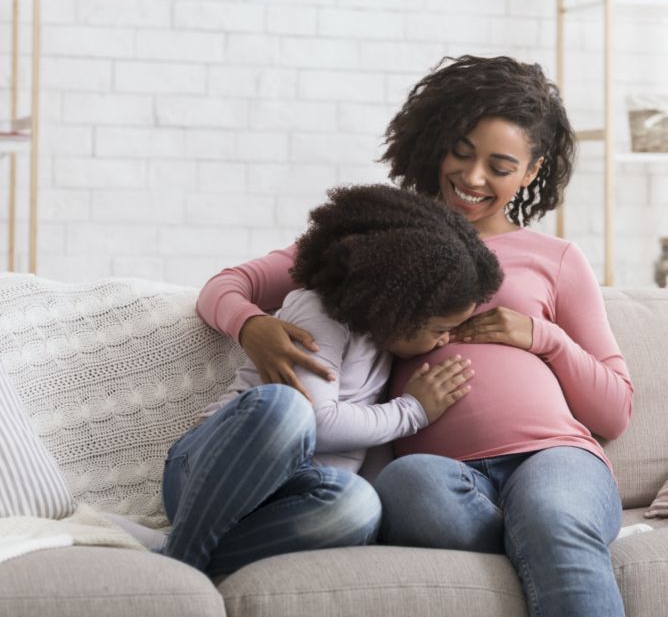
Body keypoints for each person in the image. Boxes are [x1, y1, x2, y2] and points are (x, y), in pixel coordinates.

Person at [196, 55, 634, 615]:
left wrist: (543, 337)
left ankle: (548, 532)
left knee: (552, 512)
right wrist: (251, 326)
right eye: (462, 151)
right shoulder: (375, 241)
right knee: (405, 489)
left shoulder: (558, 259)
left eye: (500, 166)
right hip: (434, 474)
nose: (473, 178)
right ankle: (539, 543)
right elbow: (227, 285)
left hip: (553, 454)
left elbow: (615, 410)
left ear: (530, 172)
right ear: (436, 139)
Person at [163, 183, 503, 576]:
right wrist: (413, 411)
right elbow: (319, 422)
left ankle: (185, 550)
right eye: (440, 328)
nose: (445, 340)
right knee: (287, 408)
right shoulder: (318, 312)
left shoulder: (391, 351)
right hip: (211, 472)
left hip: (281, 500)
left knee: (360, 507)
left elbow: (373, 455)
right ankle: (182, 562)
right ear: (397, 310)